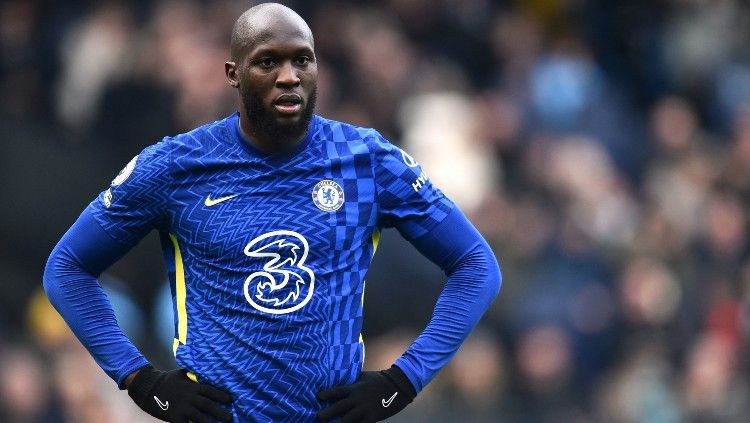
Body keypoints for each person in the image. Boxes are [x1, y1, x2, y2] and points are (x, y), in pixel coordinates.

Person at [43, 3, 501, 422]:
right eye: (268, 62)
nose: (289, 76)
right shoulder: (176, 166)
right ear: (233, 73)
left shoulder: (367, 161)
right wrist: (141, 382)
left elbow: (477, 266)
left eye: (302, 59)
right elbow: (67, 268)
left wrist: (402, 381)